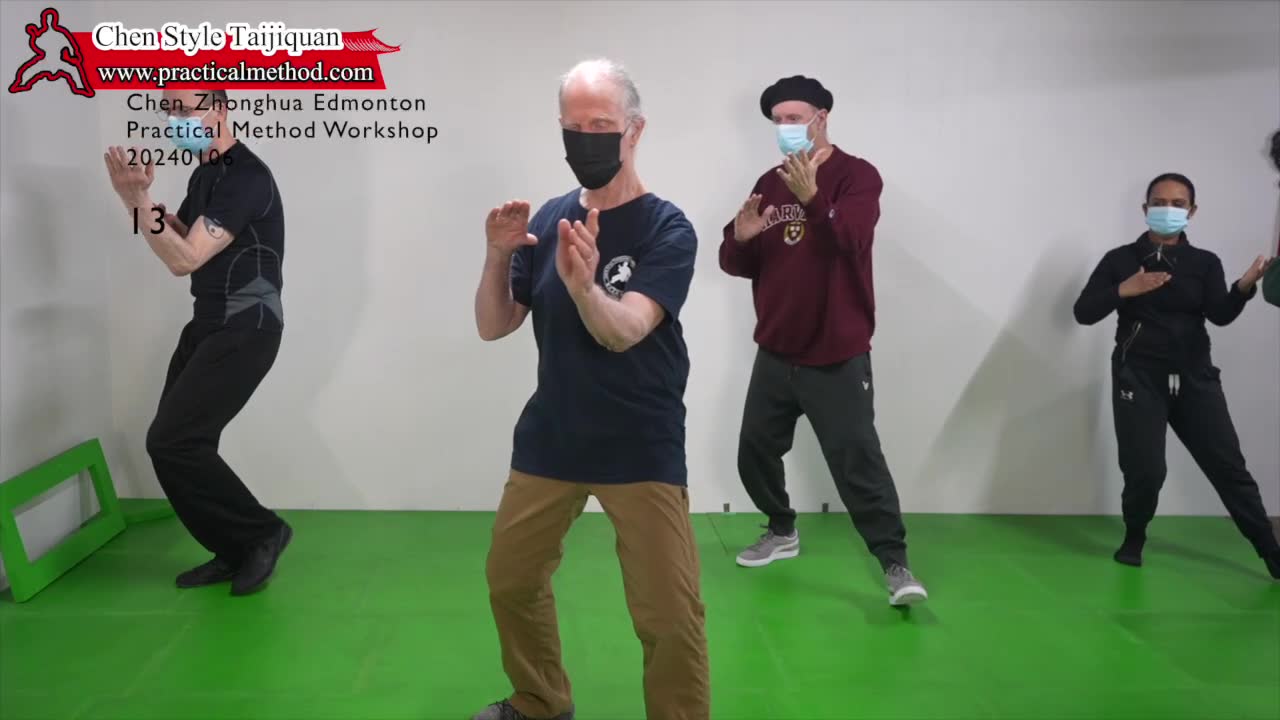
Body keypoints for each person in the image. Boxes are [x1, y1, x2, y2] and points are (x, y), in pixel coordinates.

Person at [471, 59, 708, 720]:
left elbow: (625, 329)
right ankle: (540, 701)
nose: (586, 140)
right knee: (511, 581)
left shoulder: (667, 229)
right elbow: (494, 325)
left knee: (668, 614)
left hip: (639, 441)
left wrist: (583, 288)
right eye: (573, 128)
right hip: (553, 436)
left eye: (601, 126)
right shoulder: (549, 218)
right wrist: (497, 255)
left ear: (635, 130)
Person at [718, 75, 928, 607]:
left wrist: (813, 198)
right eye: (778, 120)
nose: (785, 128)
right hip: (776, 348)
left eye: (794, 118)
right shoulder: (768, 182)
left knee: (858, 460)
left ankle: (895, 563)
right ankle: (781, 529)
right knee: (754, 450)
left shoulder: (857, 176)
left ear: (822, 117)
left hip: (836, 350)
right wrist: (740, 238)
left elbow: (851, 239)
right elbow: (737, 262)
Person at [103, 88, 291, 595]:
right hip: (209, 322)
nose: (175, 120)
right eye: (169, 110)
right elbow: (186, 237)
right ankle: (233, 548)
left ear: (220, 108)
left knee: (174, 440)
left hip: (246, 324)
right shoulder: (205, 173)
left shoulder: (247, 177)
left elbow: (183, 259)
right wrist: (144, 207)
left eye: (185, 110)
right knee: (174, 446)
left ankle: (262, 533)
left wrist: (137, 202)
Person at [1073, 172, 1279, 579]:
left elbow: (1219, 315)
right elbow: (1083, 312)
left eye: (1178, 204)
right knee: (1146, 471)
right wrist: (1123, 290)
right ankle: (1135, 536)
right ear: (1146, 208)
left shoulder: (1205, 263)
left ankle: (1270, 551)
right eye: (1160, 202)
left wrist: (1244, 286)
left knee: (1228, 467)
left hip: (1194, 377)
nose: (1168, 210)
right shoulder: (1120, 260)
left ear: (1192, 211)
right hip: (1138, 377)